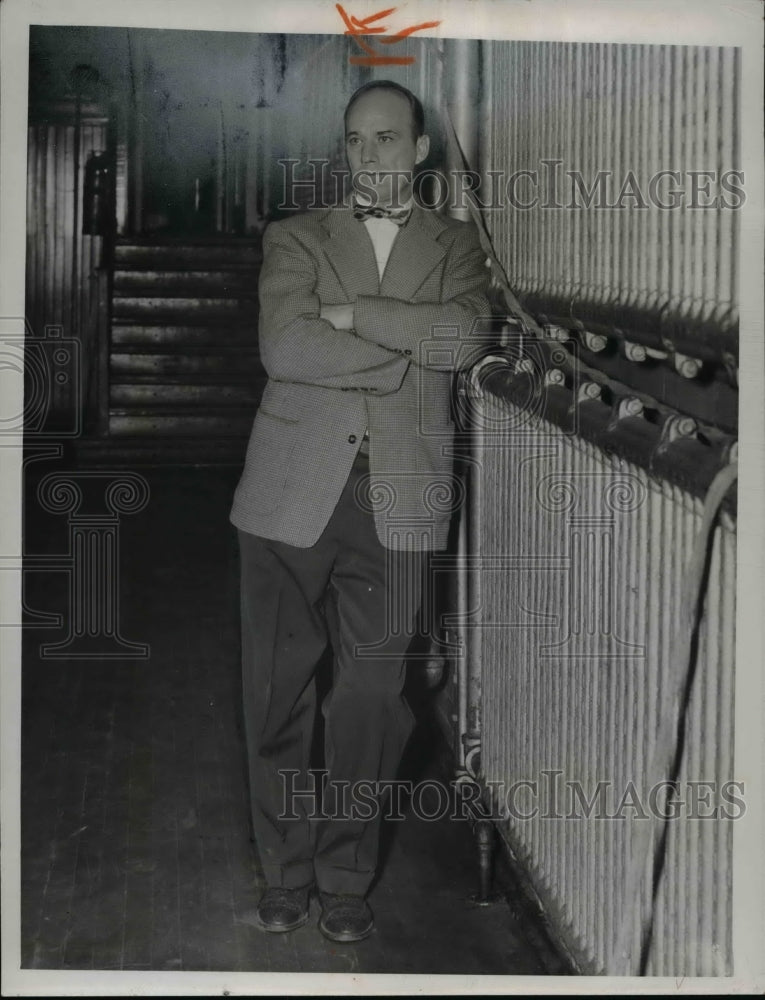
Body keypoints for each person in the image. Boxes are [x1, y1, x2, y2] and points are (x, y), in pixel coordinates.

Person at [230, 80, 489, 943]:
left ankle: (345, 875)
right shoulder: (295, 236)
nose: (369, 155)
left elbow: (462, 340)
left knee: (373, 699)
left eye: (386, 139)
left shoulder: (457, 245)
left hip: (403, 501)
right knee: (276, 697)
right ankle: (283, 873)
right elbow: (285, 346)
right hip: (287, 497)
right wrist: (398, 350)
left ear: (419, 151)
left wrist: (354, 317)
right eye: (354, 140)